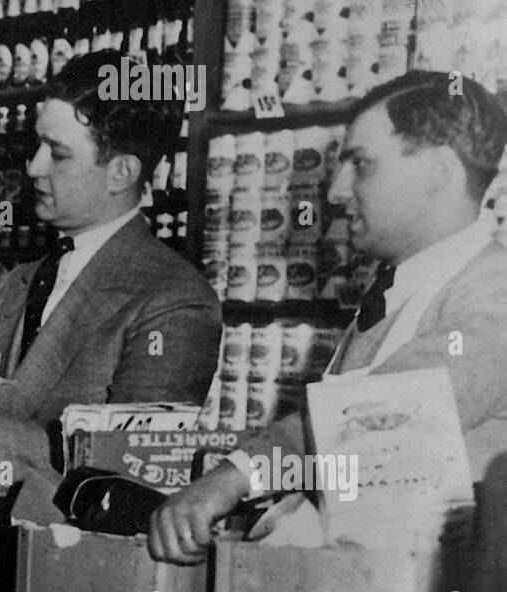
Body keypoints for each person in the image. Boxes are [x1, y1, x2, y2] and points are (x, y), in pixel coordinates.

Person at [150, 70, 507, 565]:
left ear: (439, 171)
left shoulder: (494, 294)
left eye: (360, 164)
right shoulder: (405, 283)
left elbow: (376, 414)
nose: (336, 190)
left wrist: (234, 476)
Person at [0, 53, 222, 495]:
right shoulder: (17, 282)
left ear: (121, 172)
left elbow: (136, 466)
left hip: (64, 557)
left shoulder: (174, 300)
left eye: (57, 154)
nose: (34, 167)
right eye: (38, 146)